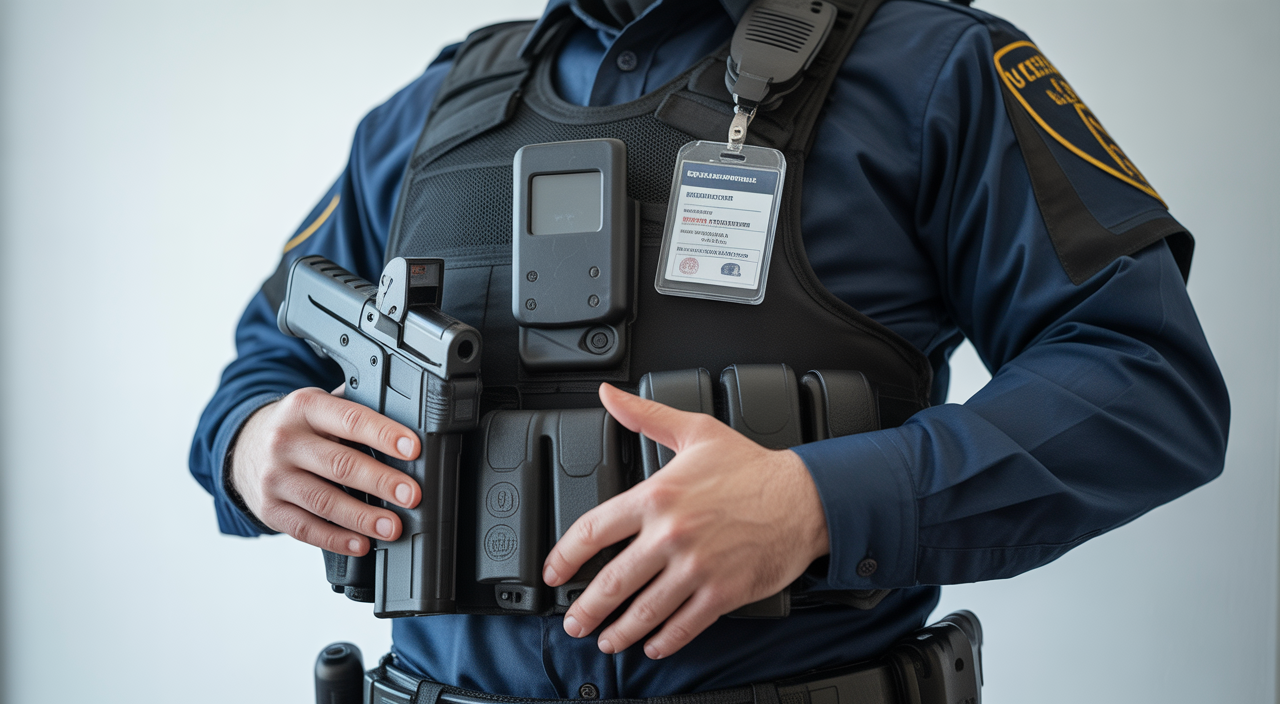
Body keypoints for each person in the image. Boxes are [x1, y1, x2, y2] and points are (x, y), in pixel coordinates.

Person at [189, 0, 1230, 698]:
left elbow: (1144, 382)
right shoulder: (426, 114)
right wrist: (250, 443)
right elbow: (264, 364)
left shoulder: (931, 70)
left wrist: (818, 502)